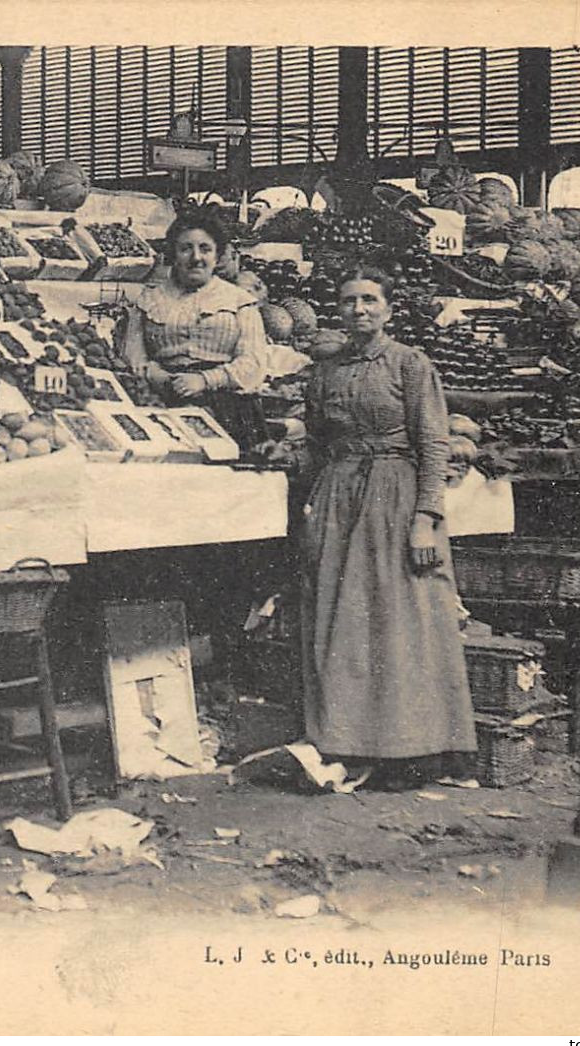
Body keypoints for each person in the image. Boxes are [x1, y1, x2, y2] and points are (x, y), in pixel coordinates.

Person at [299, 266, 475, 790]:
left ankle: (414, 750)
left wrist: (426, 520)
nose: (360, 310)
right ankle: (347, 743)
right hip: (339, 497)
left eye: (370, 299)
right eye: (350, 300)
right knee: (341, 621)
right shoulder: (325, 371)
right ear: (339, 309)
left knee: (403, 621)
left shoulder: (410, 364)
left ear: (389, 309)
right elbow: (315, 440)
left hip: (396, 498)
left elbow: (435, 445)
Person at [123, 214, 273, 401]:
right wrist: (152, 373)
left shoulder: (240, 302)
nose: (196, 258)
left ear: (217, 256)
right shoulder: (149, 300)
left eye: (205, 249)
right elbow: (132, 354)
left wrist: (205, 380)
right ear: (173, 255)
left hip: (225, 400)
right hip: (162, 396)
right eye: (186, 249)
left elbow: (254, 364)